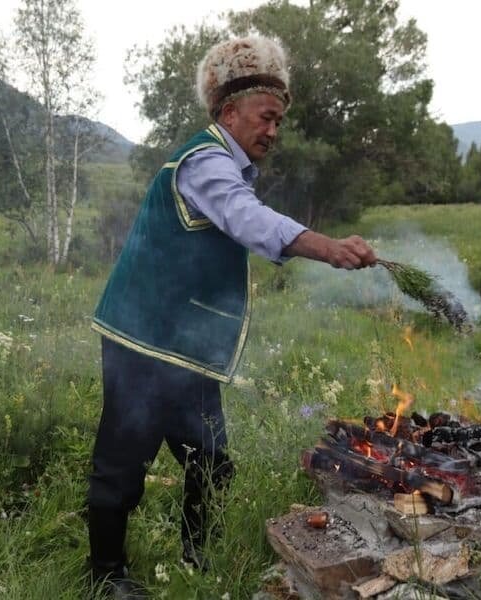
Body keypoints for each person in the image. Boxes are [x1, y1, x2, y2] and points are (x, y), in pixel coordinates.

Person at [87, 36, 376, 596]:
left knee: (211, 461)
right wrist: (328, 247)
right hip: (144, 341)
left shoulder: (227, 165)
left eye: (279, 122)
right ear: (228, 112)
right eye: (266, 118)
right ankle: (106, 579)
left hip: (185, 349)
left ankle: (196, 558)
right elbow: (249, 220)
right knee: (122, 463)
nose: (273, 131)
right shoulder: (205, 161)